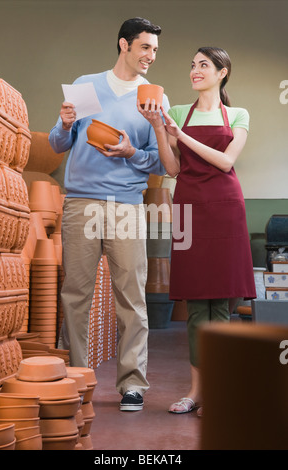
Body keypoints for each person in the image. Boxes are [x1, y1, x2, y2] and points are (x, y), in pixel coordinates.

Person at [49, 17, 170, 412]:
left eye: (154, 49)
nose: (151, 55)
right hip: (81, 202)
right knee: (76, 295)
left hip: (126, 206)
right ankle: (78, 377)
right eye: (145, 48)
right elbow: (57, 142)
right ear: (124, 45)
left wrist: (131, 152)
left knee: (131, 296)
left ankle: (132, 384)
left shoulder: (155, 98)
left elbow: (159, 162)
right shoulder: (88, 85)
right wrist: (66, 124)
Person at [138, 46, 256, 416]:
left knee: (221, 302)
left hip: (226, 209)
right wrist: (160, 128)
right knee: (194, 306)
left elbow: (226, 161)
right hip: (188, 209)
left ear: (222, 73)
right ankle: (195, 393)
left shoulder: (237, 114)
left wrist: (181, 135)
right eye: (192, 65)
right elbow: (172, 169)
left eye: (204, 65)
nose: (195, 70)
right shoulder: (175, 113)